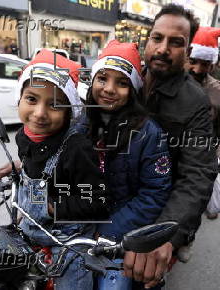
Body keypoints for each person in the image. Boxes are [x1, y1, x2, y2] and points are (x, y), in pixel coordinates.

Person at [0, 49, 110, 289]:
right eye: (32, 99)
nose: (39, 114)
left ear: (69, 111)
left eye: (54, 105)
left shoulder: (77, 149)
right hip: (31, 227)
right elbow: (35, 166)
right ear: (20, 99)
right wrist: (19, 167)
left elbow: (97, 202)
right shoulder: (24, 136)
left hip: (67, 240)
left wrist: (52, 206)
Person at [123, 4, 218, 289]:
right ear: (147, 41)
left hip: (158, 212)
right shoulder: (126, 80)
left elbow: (198, 173)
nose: (164, 49)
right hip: (113, 199)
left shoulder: (196, 102)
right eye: (157, 38)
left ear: (188, 51)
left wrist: (165, 235)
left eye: (176, 43)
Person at [75, 40, 172, 290]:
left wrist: (110, 230)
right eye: (103, 79)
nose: (109, 89)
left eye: (122, 83)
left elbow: (154, 193)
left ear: (134, 91)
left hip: (122, 236)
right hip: (80, 229)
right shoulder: (80, 121)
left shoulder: (149, 134)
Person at [186, 27, 220, 219]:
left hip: (196, 173)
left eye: (205, 64)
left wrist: (214, 160)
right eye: (192, 62)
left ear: (213, 64)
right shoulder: (165, 84)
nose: (197, 69)